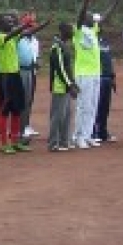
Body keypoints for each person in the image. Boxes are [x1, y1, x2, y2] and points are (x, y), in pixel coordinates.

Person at [0, 11, 51, 154]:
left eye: (12, 22)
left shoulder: (13, 37)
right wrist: (24, 24)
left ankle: (15, 141)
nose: (11, 23)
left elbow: (28, 32)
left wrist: (45, 24)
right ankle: (4, 143)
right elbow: (15, 33)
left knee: (17, 109)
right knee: (5, 110)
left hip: (15, 75)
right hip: (5, 76)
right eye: (8, 21)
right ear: (0, 25)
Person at [73, 0, 120, 149]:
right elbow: (80, 16)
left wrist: (115, 2)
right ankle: (78, 136)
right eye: (90, 16)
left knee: (92, 105)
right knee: (83, 105)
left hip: (95, 73)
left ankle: (87, 136)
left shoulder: (93, 30)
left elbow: (105, 17)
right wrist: (86, 2)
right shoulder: (78, 30)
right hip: (83, 73)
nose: (94, 18)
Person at [46, 23, 78, 152]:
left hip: (66, 85)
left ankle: (65, 141)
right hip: (59, 86)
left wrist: (73, 83)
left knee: (67, 114)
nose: (72, 32)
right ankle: (53, 143)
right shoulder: (57, 47)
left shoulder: (65, 46)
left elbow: (68, 68)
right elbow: (60, 69)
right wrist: (69, 85)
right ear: (63, 31)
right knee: (58, 115)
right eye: (70, 29)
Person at [17, 13, 41, 141]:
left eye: (33, 26)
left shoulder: (35, 41)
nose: (31, 29)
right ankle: (19, 128)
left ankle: (26, 125)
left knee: (29, 100)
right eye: (29, 26)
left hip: (33, 72)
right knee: (22, 101)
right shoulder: (19, 39)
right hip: (21, 71)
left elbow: (37, 56)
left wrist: (38, 61)